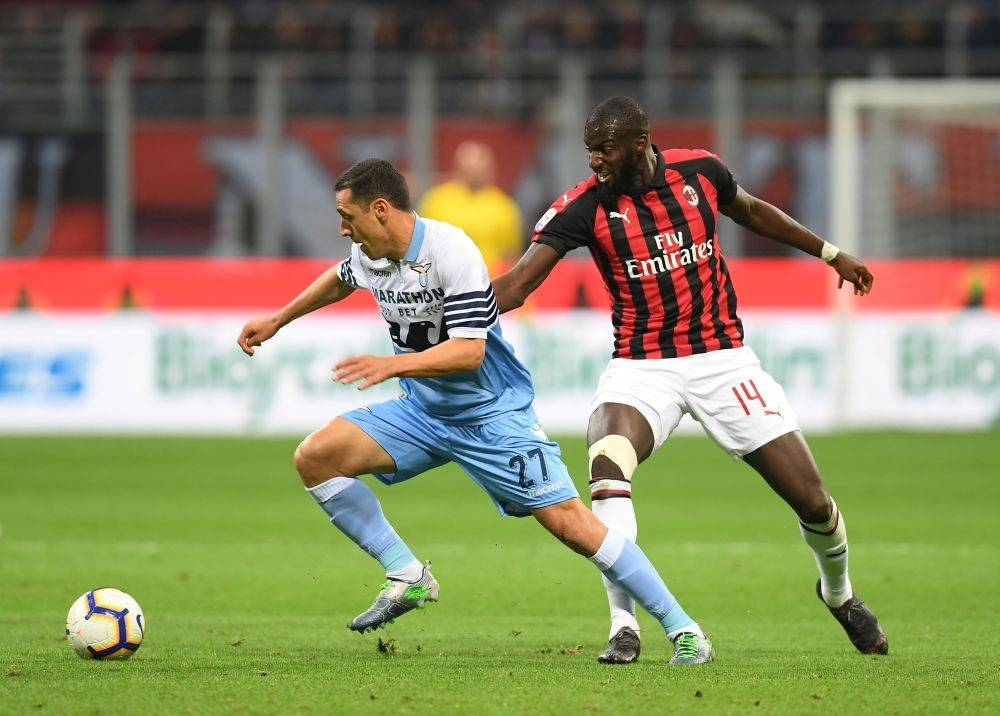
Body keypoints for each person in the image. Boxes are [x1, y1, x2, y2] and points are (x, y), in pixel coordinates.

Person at [237, 158, 715, 664]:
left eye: (347, 215)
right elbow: (340, 277)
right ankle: (406, 574)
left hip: (492, 415)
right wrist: (278, 319)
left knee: (572, 525)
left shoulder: (450, 251)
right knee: (317, 457)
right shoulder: (369, 251)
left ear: (380, 210)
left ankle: (684, 628)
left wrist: (392, 366)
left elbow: (470, 352)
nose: (342, 227)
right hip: (423, 413)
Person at [492, 96, 888, 664]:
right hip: (640, 366)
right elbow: (518, 284)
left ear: (638, 142)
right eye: (589, 152)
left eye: (604, 150)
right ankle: (623, 625)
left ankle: (840, 594)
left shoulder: (699, 172)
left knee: (814, 502)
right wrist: (449, 317)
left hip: (724, 361)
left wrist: (829, 253)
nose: (595, 162)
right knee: (607, 465)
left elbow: (752, 210)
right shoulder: (583, 208)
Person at [417, 140, 524, 273]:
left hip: (490, 282)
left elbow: (511, 255)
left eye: (479, 167)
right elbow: (421, 246)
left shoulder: (503, 206)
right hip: (445, 281)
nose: (474, 172)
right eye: (469, 167)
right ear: (458, 167)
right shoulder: (436, 199)